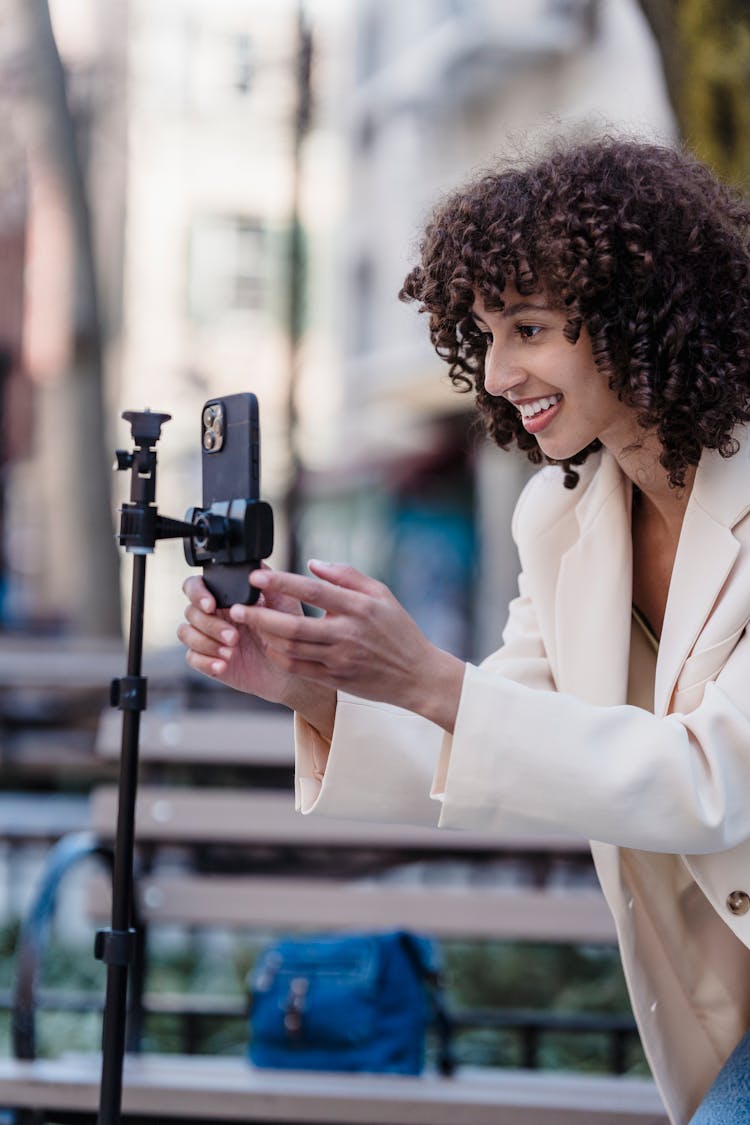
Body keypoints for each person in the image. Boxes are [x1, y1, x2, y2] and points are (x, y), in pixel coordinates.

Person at [178, 135, 750, 1124]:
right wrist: (316, 686)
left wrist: (426, 673)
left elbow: (712, 782)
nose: (495, 371)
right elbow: (512, 750)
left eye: (528, 327)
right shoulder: (562, 521)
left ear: (634, 310)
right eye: (482, 334)